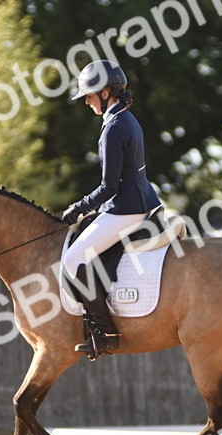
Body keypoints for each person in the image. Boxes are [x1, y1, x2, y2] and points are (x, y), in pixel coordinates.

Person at [61, 60, 163, 360]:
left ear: (106, 92)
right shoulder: (126, 119)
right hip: (144, 200)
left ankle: (105, 332)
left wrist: (77, 209)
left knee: (73, 258)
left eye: (89, 96)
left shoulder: (113, 128)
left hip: (127, 208)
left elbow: (109, 188)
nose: (86, 102)